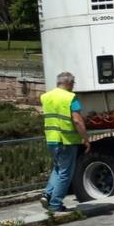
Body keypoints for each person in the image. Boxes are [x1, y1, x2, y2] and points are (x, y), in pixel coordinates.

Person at [39, 71, 90, 213]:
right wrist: (86, 138)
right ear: (68, 83)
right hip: (66, 141)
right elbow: (77, 120)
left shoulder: (46, 97)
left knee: (57, 169)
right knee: (65, 173)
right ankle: (55, 204)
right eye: (73, 83)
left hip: (51, 139)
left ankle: (47, 194)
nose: (73, 86)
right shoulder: (71, 98)